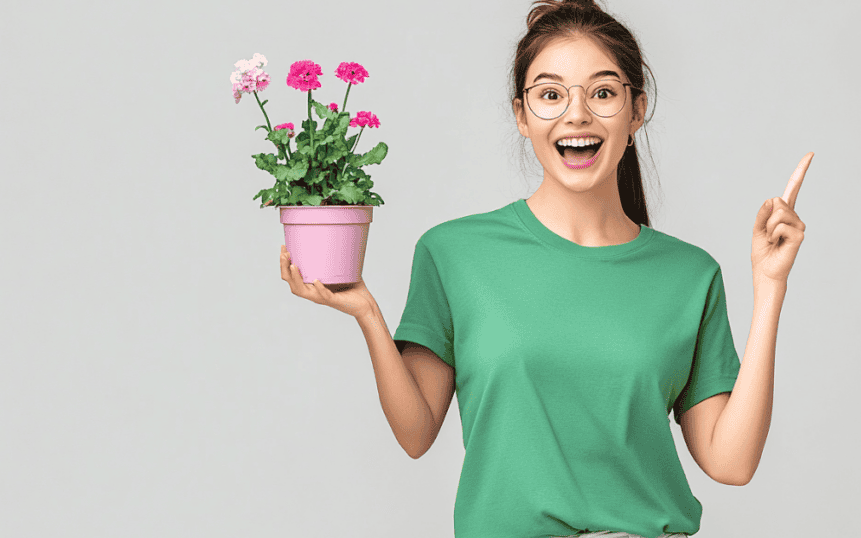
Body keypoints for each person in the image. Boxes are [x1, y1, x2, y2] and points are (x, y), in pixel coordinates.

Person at [281, 0, 811, 536]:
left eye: (603, 93)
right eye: (551, 95)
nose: (576, 114)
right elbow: (417, 433)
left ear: (637, 110)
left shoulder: (689, 275)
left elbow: (732, 462)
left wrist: (769, 287)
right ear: (521, 116)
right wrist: (369, 314)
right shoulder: (453, 253)